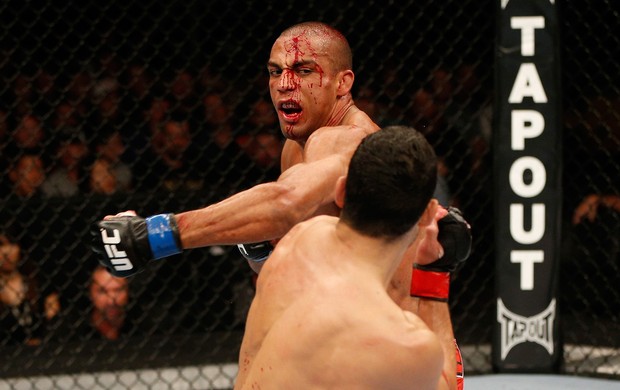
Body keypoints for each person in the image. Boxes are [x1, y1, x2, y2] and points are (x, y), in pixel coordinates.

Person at [92, 21, 469, 388]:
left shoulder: (343, 140)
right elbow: (301, 257)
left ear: (343, 83)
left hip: (403, 352)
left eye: (304, 71)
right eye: (275, 72)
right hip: (349, 342)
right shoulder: (297, 146)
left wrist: (152, 236)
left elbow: (285, 202)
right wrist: (261, 255)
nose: (285, 85)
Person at [236, 126, 460, 389]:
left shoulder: (295, 243)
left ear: (341, 191)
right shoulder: (405, 339)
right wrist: (434, 273)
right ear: (426, 215)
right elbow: (448, 383)